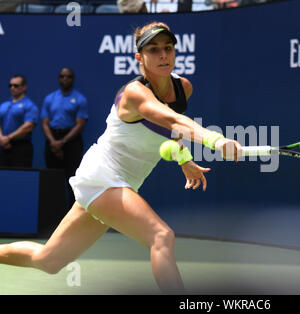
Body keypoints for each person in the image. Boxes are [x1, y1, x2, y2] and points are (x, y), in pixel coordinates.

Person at [0, 21, 242, 294]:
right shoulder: (134, 93)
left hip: (121, 184)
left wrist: (184, 159)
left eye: (168, 48)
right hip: (103, 176)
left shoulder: (183, 88)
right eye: (153, 49)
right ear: (139, 58)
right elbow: (171, 118)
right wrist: (215, 140)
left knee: (48, 261)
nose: (163, 55)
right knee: (161, 236)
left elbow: (169, 131)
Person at [41, 67, 88, 205]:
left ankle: (71, 213)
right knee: (52, 178)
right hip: (52, 139)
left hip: (71, 140)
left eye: (68, 76)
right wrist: (53, 142)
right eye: (62, 76)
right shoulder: (50, 98)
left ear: (72, 79)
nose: (64, 79)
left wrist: (62, 142)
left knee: (72, 178)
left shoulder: (80, 99)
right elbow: (44, 123)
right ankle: (53, 213)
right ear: (58, 78)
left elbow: (80, 124)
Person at [0, 74, 39, 168]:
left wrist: (8, 138)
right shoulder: (4, 105)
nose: (12, 88)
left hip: (20, 147)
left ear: (24, 87)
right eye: (10, 85)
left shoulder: (29, 106)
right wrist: (1, 138)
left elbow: (28, 126)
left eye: (16, 85)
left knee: (20, 178)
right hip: (3, 145)